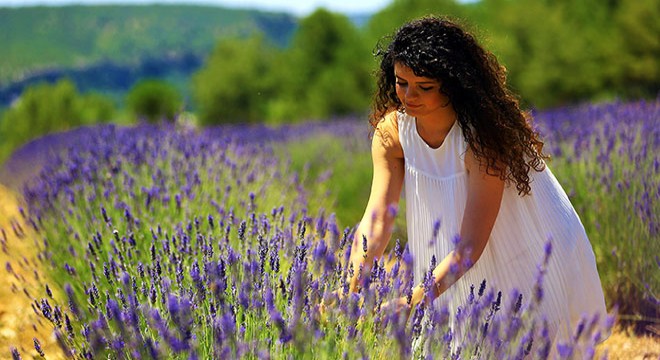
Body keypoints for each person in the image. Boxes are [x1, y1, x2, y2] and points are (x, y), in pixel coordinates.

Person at [346, 15, 608, 353]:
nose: (409, 96)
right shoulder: (391, 133)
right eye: (401, 83)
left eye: (424, 87)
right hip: (450, 250)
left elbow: (470, 245)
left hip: (522, 243)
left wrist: (412, 301)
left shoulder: (481, 139)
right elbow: (378, 217)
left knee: (519, 343)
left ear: (453, 85)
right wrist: (352, 287)